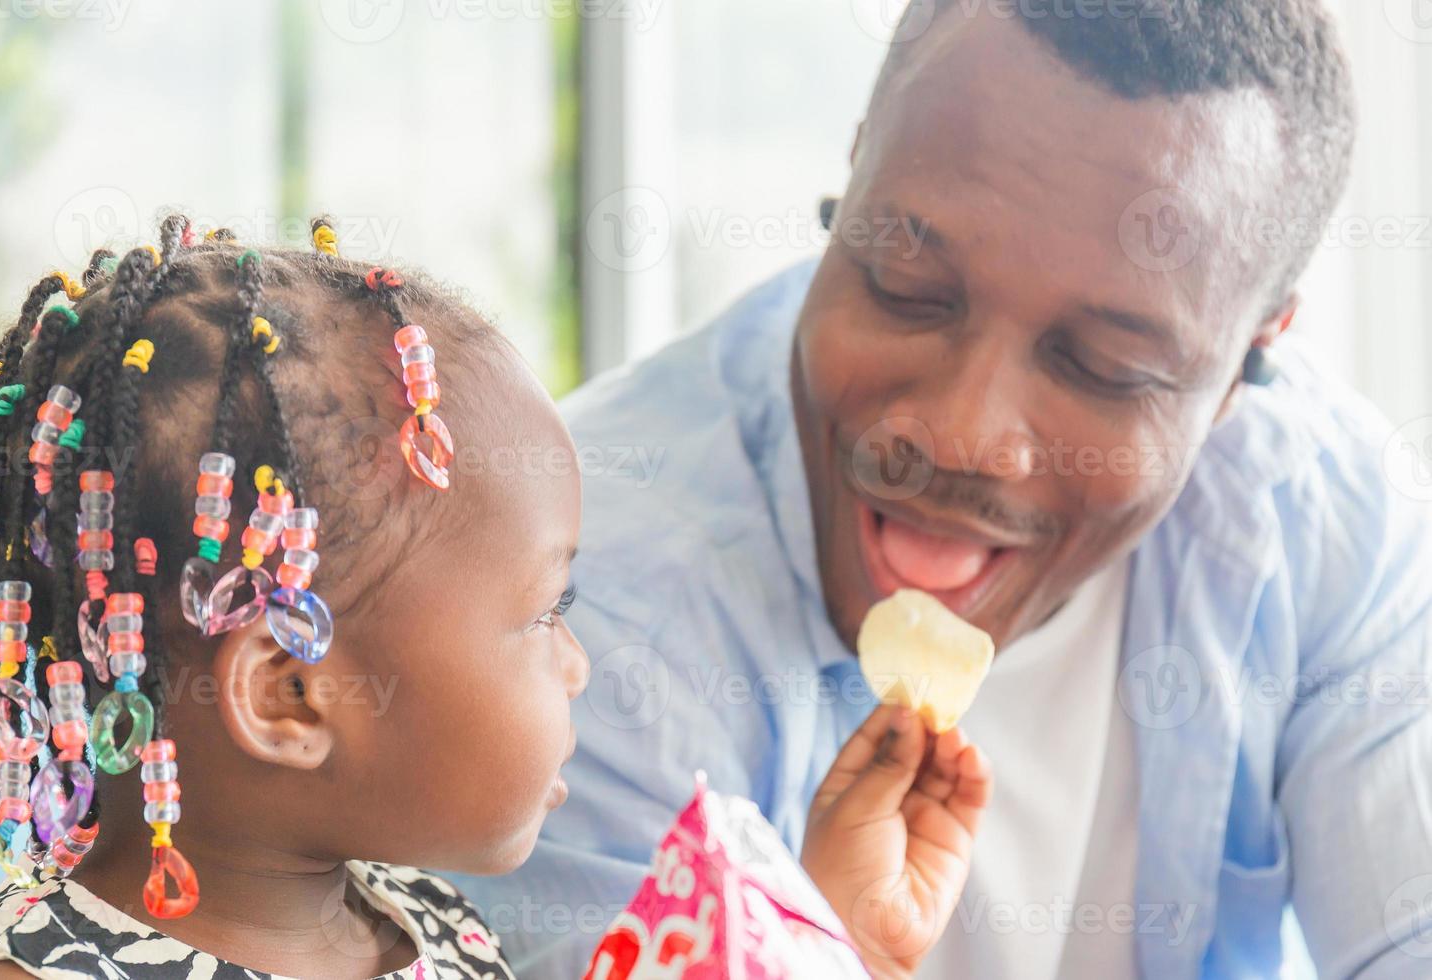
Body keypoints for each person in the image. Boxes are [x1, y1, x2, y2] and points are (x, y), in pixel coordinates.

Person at [456, 2, 1432, 978]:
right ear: (856, 175)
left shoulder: (1335, 522)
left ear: (1249, 364)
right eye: (904, 288)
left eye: (1103, 365)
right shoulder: (573, 598)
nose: (963, 433)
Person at [0, 215, 991, 979]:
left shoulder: (436, 930)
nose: (578, 662)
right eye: (547, 610)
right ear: (289, 692)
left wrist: (838, 931)